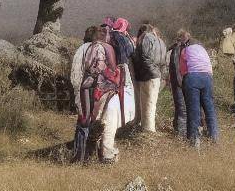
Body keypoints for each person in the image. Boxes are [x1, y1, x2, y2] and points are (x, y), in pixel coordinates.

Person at [71, 26, 131, 163]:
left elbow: (92, 68)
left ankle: (79, 156)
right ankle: (92, 154)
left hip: (89, 86)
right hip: (105, 89)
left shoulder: (93, 47)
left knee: (84, 120)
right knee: (96, 120)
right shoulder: (108, 47)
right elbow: (109, 67)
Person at [179, 33, 218, 147]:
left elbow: (182, 70)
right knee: (209, 109)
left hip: (193, 78)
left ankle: (195, 141)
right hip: (207, 78)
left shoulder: (185, 50)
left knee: (194, 110)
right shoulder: (203, 49)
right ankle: (214, 138)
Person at [133, 23, 167, 132]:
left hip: (146, 75)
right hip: (154, 75)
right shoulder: (161, 42)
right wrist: (159, 74)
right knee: (151, 103)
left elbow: (144, 57)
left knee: (146, 104)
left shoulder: (147, 38)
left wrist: (151, 70)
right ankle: (147, 128)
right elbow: (163, 62)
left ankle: (148, 130)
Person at [167, 29, 189, 138]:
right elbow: (176, 67)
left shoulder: (177, 47)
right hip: (179, 81)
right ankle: (182, 135)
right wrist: (181, 82)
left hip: (179, 81)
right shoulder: (178, 49)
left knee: (180, 107)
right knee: (182, 108)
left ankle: (177, 127)